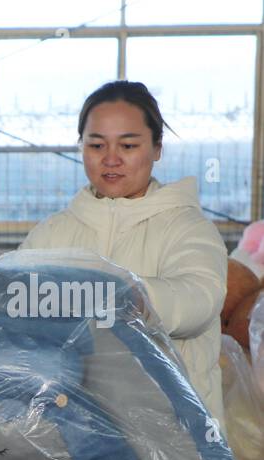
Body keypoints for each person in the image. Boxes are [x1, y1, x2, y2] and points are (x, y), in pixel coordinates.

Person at [21, 80, 227, 424]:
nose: (111, 159)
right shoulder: (55, 232)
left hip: (177, 437)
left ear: (157, 148)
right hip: (75, 436)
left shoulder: (187, 228)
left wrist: (126, 295)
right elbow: (9, 294)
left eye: (128, 145)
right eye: (96, 144)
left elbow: (200, 299)